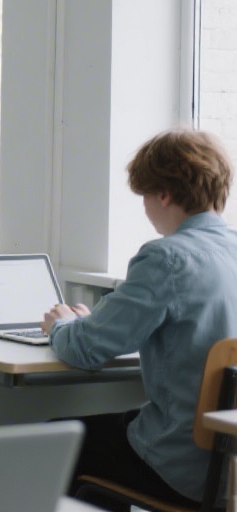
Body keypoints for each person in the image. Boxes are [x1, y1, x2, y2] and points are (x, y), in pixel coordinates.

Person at [43, 129, 237, 509]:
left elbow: (85, 348)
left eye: (145, 197)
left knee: (55, 441)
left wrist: (62, 324)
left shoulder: (167, 258)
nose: (146, 210)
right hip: (230, 468)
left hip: (181, 465)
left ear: (163, 194)